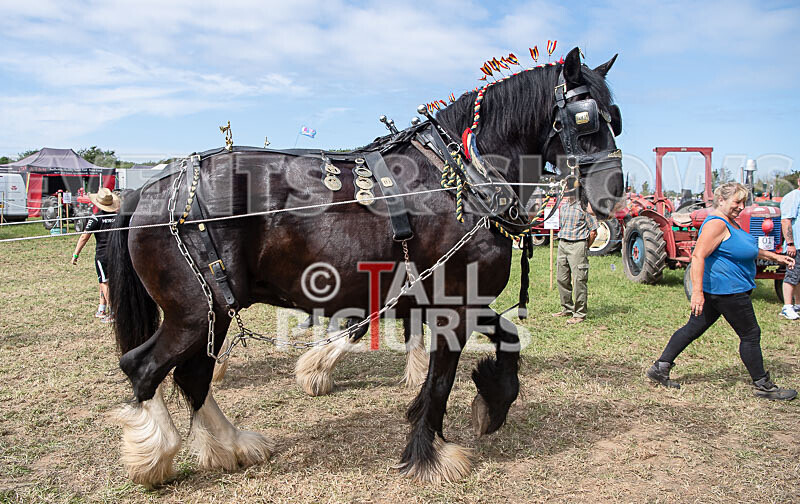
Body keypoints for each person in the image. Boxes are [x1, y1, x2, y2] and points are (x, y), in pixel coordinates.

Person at [647, 182, 796, 400]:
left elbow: (746, 249)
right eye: (737, 201)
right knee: (750, 334)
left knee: (693, 328)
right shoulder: (716, 224)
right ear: (721, 200)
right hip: (727, 290)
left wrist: (775, 257)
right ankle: (763, 385)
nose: (741, 206)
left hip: (722, 290)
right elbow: (698, 256)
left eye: (744, 202)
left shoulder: (731, 222)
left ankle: (660, 367)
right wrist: (697, 292)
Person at [71, 187, 120, 323]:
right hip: (117, 254)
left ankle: (114, 312)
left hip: (103, 255)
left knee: (104, 282)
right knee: (106, 280)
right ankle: (101, 308)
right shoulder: (118, 218)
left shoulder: (95, 218)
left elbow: (84, 237)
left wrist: (75, 254)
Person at [552, 194, 598, 324]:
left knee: (579, 280)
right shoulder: (564, 206)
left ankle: (579, 314)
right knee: (562, 278)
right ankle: (567, 308)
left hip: (578, 244)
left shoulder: (584, 207)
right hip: (562, 243)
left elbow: (594, 231)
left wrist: (584, 247)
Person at [779, 176, 800, 319]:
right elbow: (786, 221)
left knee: (799, 277)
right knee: (792, 275)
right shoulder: (793, 197)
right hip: (796, 245)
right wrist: (791, 244)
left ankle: (798, 305)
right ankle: (787, 306)